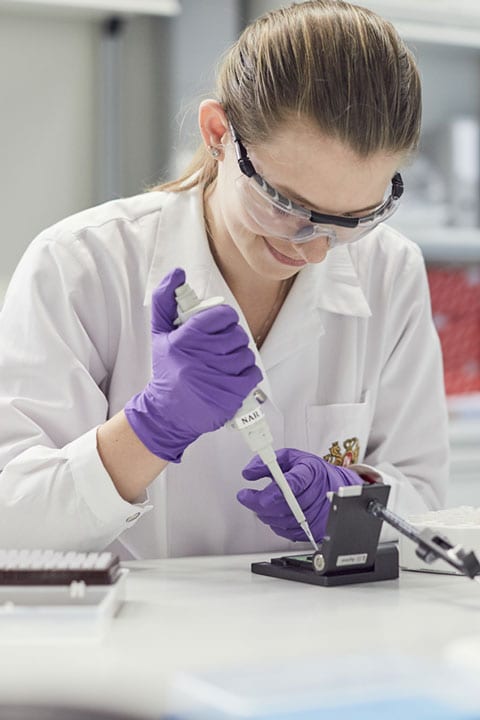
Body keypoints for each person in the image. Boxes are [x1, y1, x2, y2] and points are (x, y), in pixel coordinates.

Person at [0, 0, 449, 559]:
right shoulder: (81, 265)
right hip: (135, 638)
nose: (314, 251)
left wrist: (356, 500)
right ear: (219, 134)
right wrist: (150, 430)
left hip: (329, 635)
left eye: (353, 220)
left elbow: (431, 508)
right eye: (287, 203)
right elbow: (12, 526)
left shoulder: (390, 270)